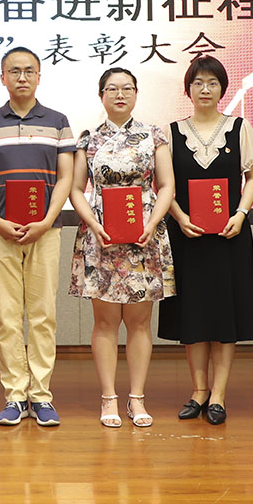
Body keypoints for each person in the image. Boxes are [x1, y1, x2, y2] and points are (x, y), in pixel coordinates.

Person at [0, 47, 75, 427]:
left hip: (46, 231)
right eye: (14, 71)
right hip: (1, 232)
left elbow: (66, 176)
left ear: (39, 76)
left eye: (29, 71)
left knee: (44, 315)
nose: (22, 77)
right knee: (8, 317)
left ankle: (41, 396)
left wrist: (46, 220)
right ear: (2, 77)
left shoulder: (58, 122)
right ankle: (15, 396)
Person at [68, 67, 176, 428]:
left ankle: (137, 398)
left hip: (144, 233)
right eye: (112, 89)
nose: (120, 94)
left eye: (127, 88)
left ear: (136, 94)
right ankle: (108, 398)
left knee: (140, 322)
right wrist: (93, 224)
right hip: (101, 234)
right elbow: (76, 189)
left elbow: (166, 186)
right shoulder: (88, 139)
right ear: (101, 95)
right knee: (105, 322)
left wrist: (152, 222)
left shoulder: (153, 135)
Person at [158, 55, 253, 425]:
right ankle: (198, 390)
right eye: (198, 82)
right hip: (187, 235)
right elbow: (163, 185)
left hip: (230, 235)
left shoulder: (239, 128)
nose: (205, 89)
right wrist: (180, 217)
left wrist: (241, 214)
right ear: (188, 89)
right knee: (194, 313)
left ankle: (218, 394)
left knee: (225, 314)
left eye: (213, 82)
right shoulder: (170, 132)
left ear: (222, 89)